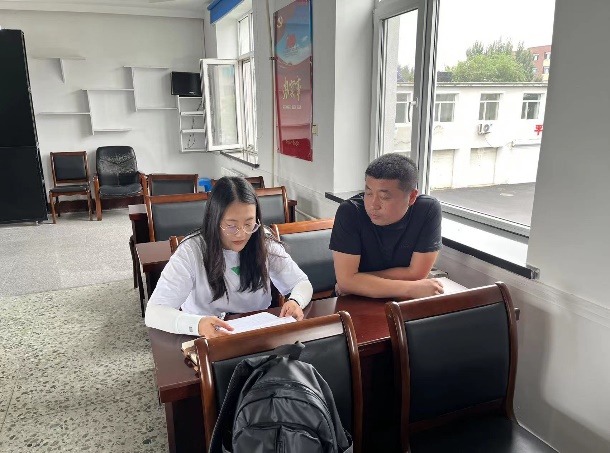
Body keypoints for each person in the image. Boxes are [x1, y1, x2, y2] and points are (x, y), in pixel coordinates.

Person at [145, 177, 313, 338]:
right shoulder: (191, 251)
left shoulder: (263, 241)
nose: (241, 234)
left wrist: (295, 301)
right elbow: (154, 312)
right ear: (214, 221)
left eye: (249, 224)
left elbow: (302, 283)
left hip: (257, 332)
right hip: (207, 336)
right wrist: (198, 325)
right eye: (232, 226)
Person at [330, 154, 444, 299]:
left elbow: (417, 274)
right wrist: (411, 288)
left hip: (400, 301)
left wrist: (357, 281)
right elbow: (346, 283)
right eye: (368, 193)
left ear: (411, 197)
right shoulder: (350, 211)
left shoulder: (427, 210)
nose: (373, 205)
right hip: (354, 300)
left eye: (384, 197)